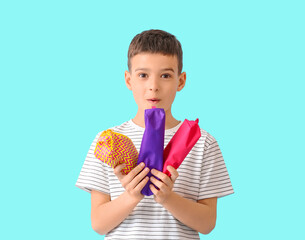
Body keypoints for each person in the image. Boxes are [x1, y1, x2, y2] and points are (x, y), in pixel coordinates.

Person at [75, 29, 234, 239]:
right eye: (143, 75)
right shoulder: (107, 141)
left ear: (181, 81)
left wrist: (168, 198)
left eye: (165, 75)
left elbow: (207, 224)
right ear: (129, 80)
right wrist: (131, 196)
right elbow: (98, 223)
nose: (153, 86)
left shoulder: (202, 143)